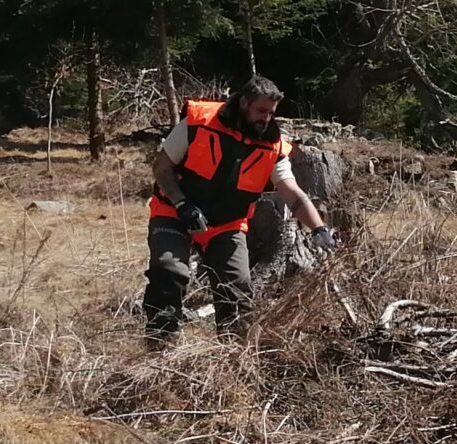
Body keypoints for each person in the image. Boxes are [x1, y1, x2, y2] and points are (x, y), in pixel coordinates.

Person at [141, 76, 336, 349]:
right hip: (173, 212)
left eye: (271, 113)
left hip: (227, 224)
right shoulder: (199, 123)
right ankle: (160, 351)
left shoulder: (272, 147)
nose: (266, 119)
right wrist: (182, 204)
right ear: (244, 102)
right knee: (168, 273)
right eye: (261, 111)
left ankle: (235, 359)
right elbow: (161, 167)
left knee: (237, 291)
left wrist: (319, 230)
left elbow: (294, 195)